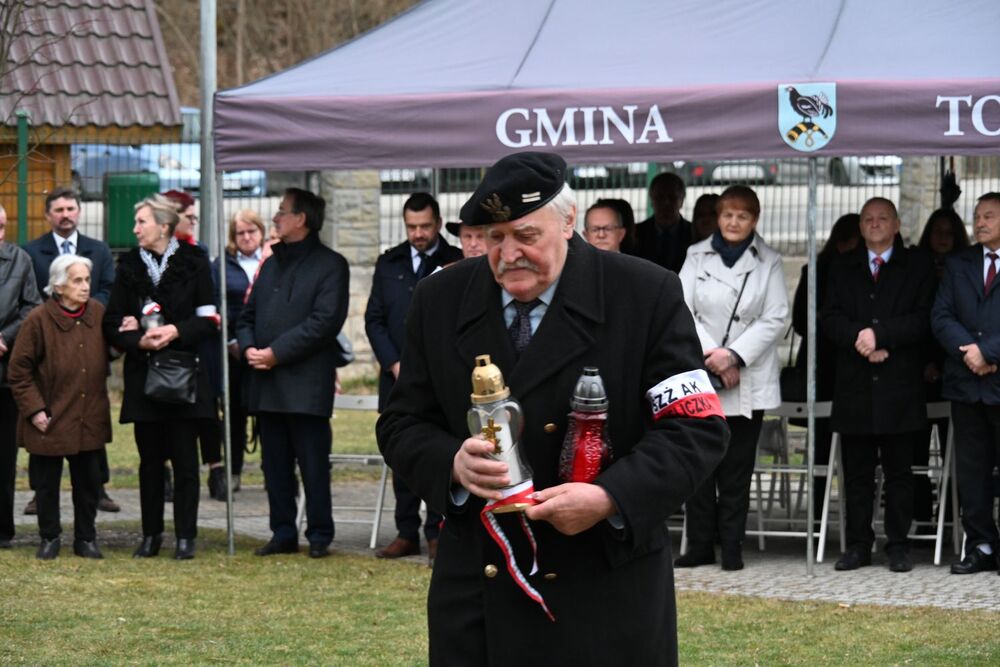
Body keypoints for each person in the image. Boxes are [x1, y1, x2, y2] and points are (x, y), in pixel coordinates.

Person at [376, 151, 728, 666]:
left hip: (603, 590)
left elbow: (694, 429)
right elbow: (401, 422)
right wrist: (451, 463)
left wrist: (610, 496)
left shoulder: (644, 292)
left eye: (526, 235)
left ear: (568, 222)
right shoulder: (439, 298)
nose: (509, 253)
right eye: (495, 237)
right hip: (480, 589)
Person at [677, 185, 788, 570]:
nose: (734, 222)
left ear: (754, 219)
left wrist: (734, 356)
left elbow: (776, 317)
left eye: (742, 216)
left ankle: (732, 545)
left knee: (737, 468)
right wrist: (714, 355)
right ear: (717, 217)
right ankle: (699, 545)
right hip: (704, 371)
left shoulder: (769, 260)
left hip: (747, 377)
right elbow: (681, 308)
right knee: (700, 464)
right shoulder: (695, 255)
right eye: (728, 214)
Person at [821, 197, 935, 573]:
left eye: (883, 218)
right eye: (868, 218)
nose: (874, 223)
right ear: (860, 226)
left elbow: (925, 318)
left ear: (897, 225)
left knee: (900, 472)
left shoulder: (917, 266)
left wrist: (882, 336)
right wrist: (861, 338)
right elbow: (828, 317)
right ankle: (858, 545)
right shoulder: (842, 266)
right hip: (855, 383)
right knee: (857, 474)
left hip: (899, 383)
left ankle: (898, 545)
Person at [103, 194, 219, 560]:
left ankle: (186, 536)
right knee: (150, 462)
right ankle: (151, 534)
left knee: (186, 461)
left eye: (141, 222)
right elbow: (112, 322)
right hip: (144, 375)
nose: (135, 229)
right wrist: (138, 339)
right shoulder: (128, 265)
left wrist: (173, 331)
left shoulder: (194, 261)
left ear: (164, 227)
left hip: (184, 375)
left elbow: (209, 319)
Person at [237, 188, 349, 559]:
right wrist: (249, 347)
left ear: (301, 219)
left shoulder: (331, 265)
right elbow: (247, 315)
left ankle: (319, 533)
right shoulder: (271, 264)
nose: (275, 218)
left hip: (306, 385)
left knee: (313, 464)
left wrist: (277, 353)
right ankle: (282, 531)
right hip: (266, 381)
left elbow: (324, 322)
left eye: (282, 211)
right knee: (274, 465)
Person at [365, 192, 462, 562]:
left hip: (440, 376)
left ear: (438, 224)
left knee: (439, 449)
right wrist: (394, 363)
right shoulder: (388, 262)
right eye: (411, 227)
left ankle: (436, 530)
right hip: (396, 376)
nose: (418, 234)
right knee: (401, 451)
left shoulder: (455, 260)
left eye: (424, 226)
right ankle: (405, 531)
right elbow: (374, 319)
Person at [7, 255, 111, 559]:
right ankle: (49, 537)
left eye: (87, 280)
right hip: (50, 416)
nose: (85, 286)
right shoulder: (38, 319)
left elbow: (113, 347)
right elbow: (19, 371)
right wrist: (34, 410)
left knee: (89, 482)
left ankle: (86, 538)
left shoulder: (98, 312)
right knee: (46, 484)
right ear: (59, 286)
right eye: (77, 281)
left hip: (88, 414)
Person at [23, 187, 118, 514]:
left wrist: (85, 312)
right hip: (50, 343)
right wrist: (56, 316)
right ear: (48, 215)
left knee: (88, 412)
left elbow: (107, 289)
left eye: (71, 209)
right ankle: (40, 494)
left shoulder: (98, 250)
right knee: (46, 421)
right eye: (59, 210)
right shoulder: (32, 251)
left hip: (89, 338)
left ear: (79, 211)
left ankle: (98, 488)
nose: (66, 215)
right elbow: (31, 293)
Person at [931, 192, 1000, 574]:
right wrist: (969, 354)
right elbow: (941, 316)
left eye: (989, 216)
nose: (980, 222)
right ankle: (981, 545)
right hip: (966, 384)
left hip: (997, 378)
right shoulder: (960, 263)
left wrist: (988, 353)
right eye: (977, 216)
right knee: (971, 471)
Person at [790, 213, 861, 521]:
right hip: (821, 367)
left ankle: (847, 516)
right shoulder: (816, 271)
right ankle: (819, 516)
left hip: (852, 367)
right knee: (821, 447)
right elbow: (800, 321)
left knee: (854, 450)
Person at [162, 189, 227, 501]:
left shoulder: (199, 253)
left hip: (202, 345)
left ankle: (216, 469)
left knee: (207, 411)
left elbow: (209, 300)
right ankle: (166, 472)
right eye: (189, 217)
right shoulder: (154, 255)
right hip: (168, 348)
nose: (193, 222)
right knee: (167, 411)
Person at [913, 208, 969, 531]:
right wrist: (926, 363)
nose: (944, 238)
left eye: (950, 232)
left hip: (956, 367)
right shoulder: (917, 270)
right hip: (918, 372)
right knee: (916, 451)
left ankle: (951, 519)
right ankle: (921, 517)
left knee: (955, 453)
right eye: (938, 231)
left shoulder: (966, 270)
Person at [0, 204, 43, 550]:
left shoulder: (20, 260)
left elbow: (32, 306)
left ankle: (2, 528)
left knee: (4, 456)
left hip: (4, 373)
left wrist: (5, 337)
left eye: (2, 227)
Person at [215, 209, 266, 493]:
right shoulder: (222, 264)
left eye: (251, 231)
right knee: (235, 414)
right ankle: (233, 471)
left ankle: (274, 471)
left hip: (268, 350)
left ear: (261, 232)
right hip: (233, 353)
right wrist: (231, 342)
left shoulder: (271, 260)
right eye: (240, 233)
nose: (246, 238)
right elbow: (216, 304)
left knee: (268, 414)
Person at [628, 172, 691, 272]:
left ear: (682, 200)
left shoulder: (694, 233)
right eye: (660, 197)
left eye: (672, 197)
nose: (666, 203)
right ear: (651, 200)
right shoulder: (636, 233)